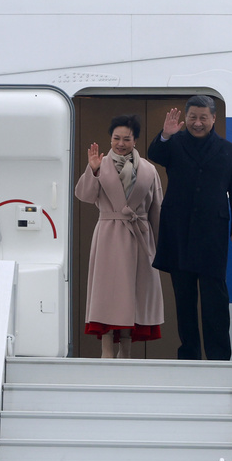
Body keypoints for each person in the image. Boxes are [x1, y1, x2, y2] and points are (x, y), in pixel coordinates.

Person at [148, 95, 232, 360]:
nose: (198, 123)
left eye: (203, 117)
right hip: (178, 231)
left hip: (212, 234)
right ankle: (189, 355)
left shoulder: (229, 150)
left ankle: (219, 356)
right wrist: (166, 135)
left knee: (215, 297)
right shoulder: (174, 143)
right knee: (184, 298)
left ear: (213, 118)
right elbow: (154, 154)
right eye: (192, 117)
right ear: (186, 118)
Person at [74, 114, 164, 358]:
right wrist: (93, 170)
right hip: (109, 236)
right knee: (108, 294)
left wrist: (159, 247)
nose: (121, 143)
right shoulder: (100, 164)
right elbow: (84, 195)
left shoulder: (149, 170)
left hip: (139, 237)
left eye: (126, 139)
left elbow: (157, 209)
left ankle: (126, 349)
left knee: (134, 294)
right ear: (110, 139)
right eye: (116, 138)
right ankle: (106, 349)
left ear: (135, 140)